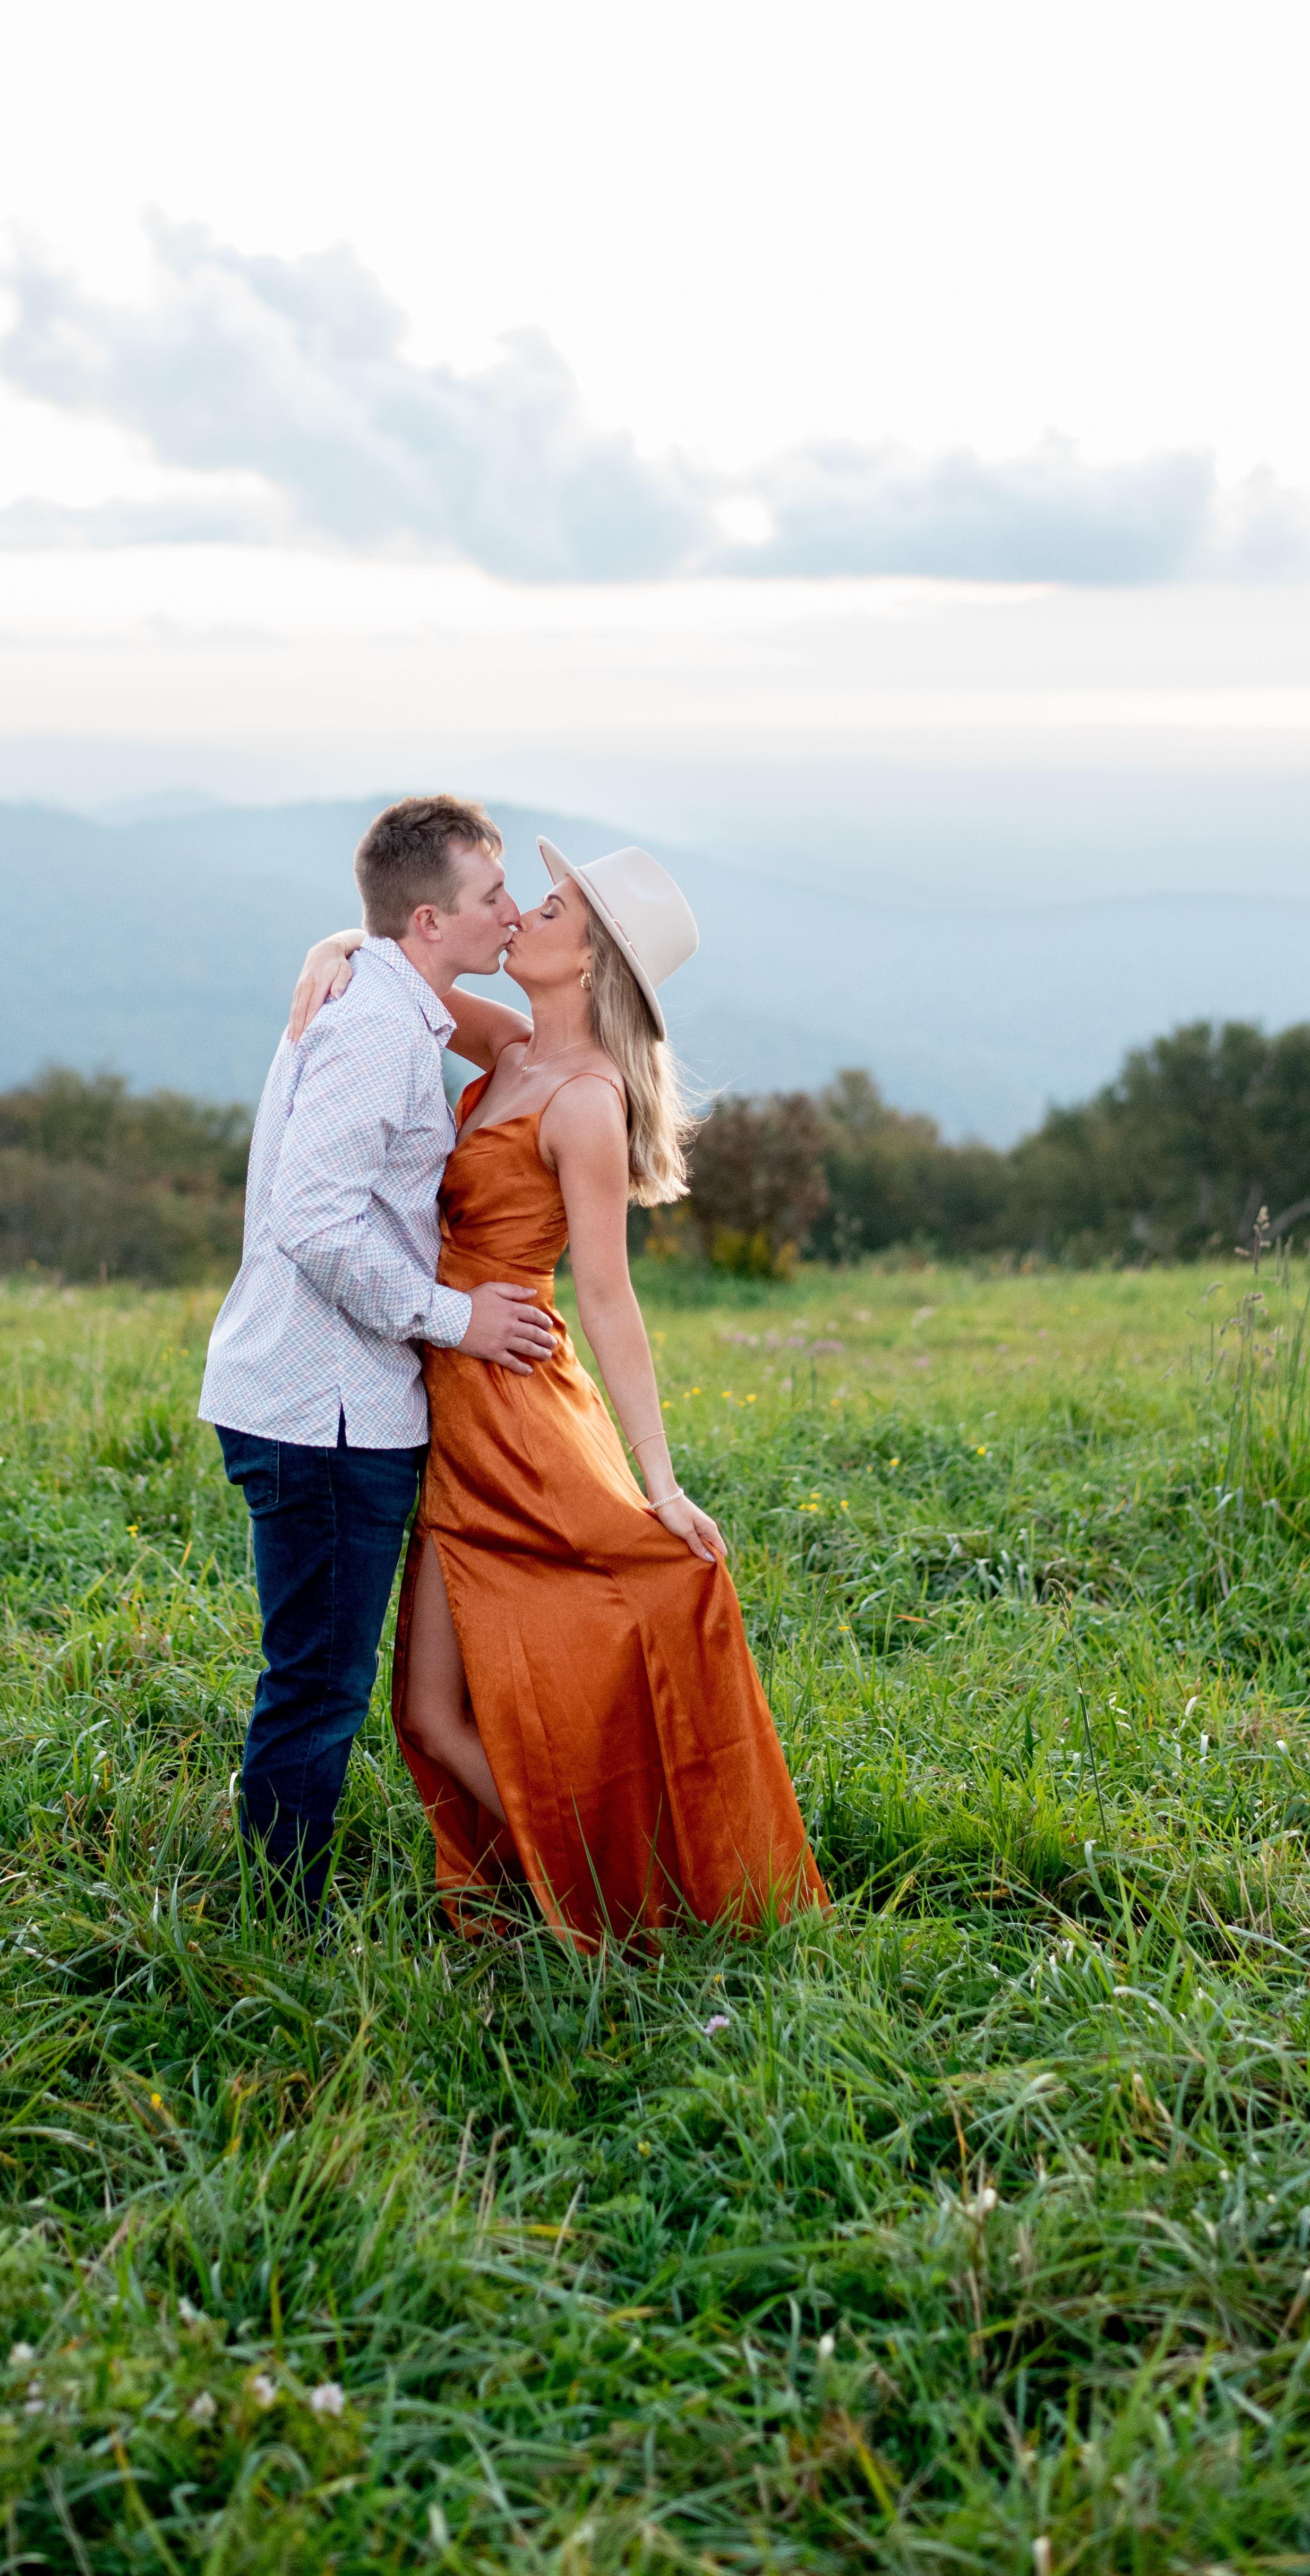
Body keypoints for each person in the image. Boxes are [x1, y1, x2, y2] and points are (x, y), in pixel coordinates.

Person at [286, 836, 827, 1950]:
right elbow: (406, 973)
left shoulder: (584, 1099)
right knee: (430, 1717)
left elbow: (608, 1298)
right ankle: (601, 1897)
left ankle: (621, 1917)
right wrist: (335, 941)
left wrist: (660, 1481)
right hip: (447, 1404)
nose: (521, 913)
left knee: (448, 1708)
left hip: (517, 1420)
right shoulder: (512, 1043)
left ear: (590, 961)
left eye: (550, 906)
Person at [196, 795, 563, 1912]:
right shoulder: (369, 1026)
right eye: (489, 896)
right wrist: (459, 1320)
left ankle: (279, 1897)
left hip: (324, 1403)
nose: (508, 913)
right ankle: (277, 1923)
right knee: (316, 1683)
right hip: (324, 1413)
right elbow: (315, 1224)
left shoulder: (390, 999)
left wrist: (341, 938)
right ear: (426, 918)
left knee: (316, 1675)